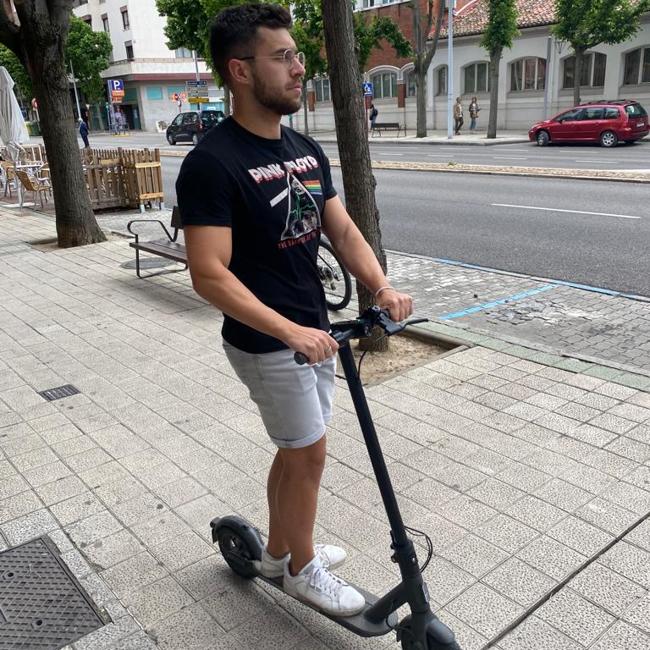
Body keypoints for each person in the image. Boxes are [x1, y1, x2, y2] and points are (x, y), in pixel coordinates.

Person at [176, 3, 413, 618]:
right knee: (308, 452)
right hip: (266, 339)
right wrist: (289, 332)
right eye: (282, 57)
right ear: (241, 71)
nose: (298, 67)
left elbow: (342, 229)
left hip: (314, 331)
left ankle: (281, 553)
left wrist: (379, 286)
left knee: (296, 448)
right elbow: (208, 273)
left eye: (297, 54)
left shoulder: (305, 149)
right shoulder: (212, 163)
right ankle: (302, 572)